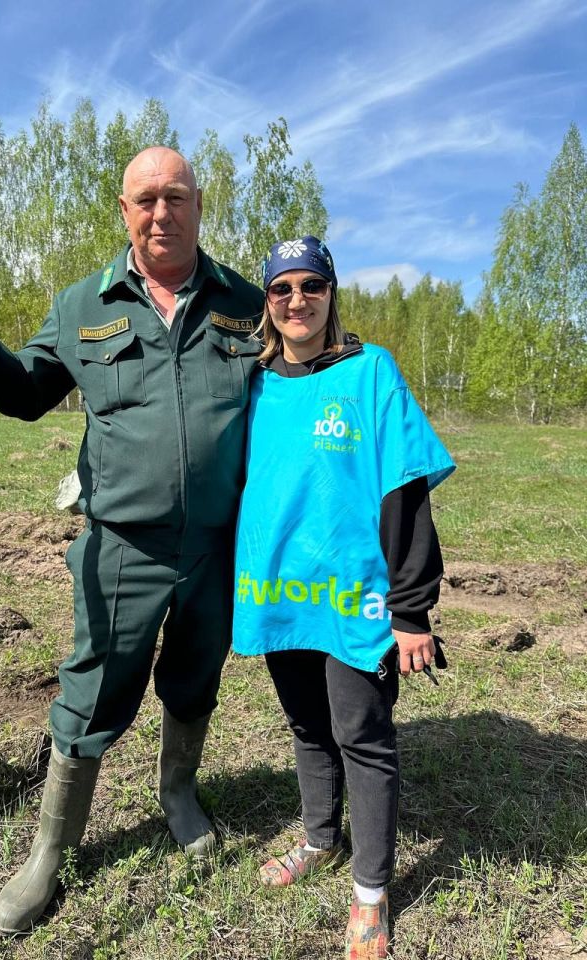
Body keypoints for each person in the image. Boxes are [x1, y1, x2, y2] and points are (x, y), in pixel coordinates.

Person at [0, 146, 263, 934]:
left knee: (197, 675)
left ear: (200, 205)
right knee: (90, 693)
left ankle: (177, 793)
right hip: (122, 550)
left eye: (176, 196)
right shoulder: (83, 306)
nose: (161, 212)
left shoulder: (246, 301)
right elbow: (26, 393)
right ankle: (48, 856)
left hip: (218, 544)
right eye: (145, 199)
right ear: (124, 210)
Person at [232, 236, 455, 959]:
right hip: (279, 591)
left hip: (356, 598)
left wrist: (412, 609)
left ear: (331, 294)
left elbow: (404, 489)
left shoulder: (371, 373)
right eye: (281, 289)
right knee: (306, 727)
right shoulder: (255, 384)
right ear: (268, 302)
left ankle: (370, 893)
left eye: (310, 286)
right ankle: (321, 839)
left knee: (362, 735)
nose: (297, 300)